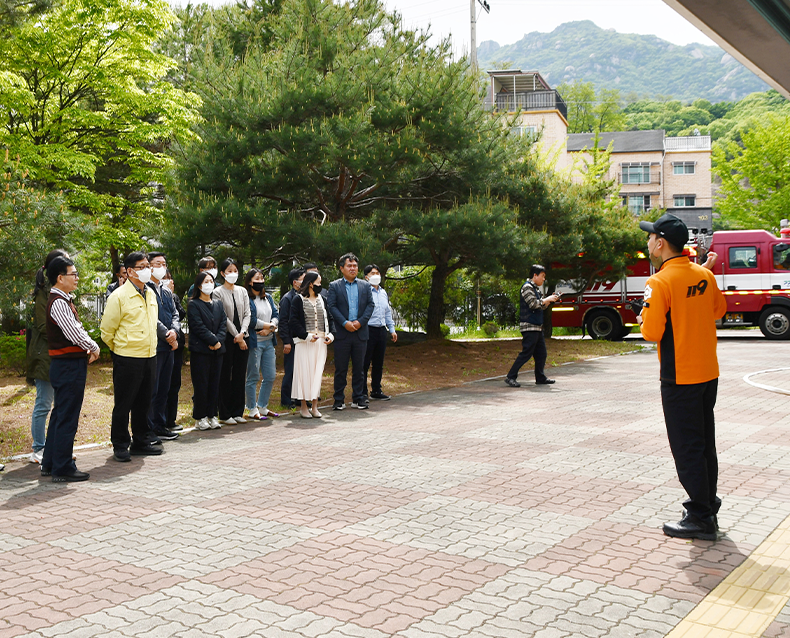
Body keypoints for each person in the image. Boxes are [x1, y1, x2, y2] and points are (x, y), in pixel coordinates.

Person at [637, 213, 727, 541]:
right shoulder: (703, 274)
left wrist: (644, 313)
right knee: (705, 444)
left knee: (687, 447)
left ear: (660, 243)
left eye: (650, 237)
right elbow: (718, 310)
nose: (648, 242)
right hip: (708, 372)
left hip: (679, 376)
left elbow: (652, 331)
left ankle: (701, 518)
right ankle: (706, 504)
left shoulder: (659, 282)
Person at [40, 256, 100, 482]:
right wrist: (94, 347)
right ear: (60, 277)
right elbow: (74, 332)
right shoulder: (58, 302)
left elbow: (76, 328)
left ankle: (51, 462)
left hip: (66, 366)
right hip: (68, 366)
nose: (77, 278)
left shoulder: (62, 299)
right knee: (67, 416)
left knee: (60, 415)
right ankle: (62, 467)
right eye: (73, 274)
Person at [100, 251, 163, 461]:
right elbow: (107, 331)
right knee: (124, 403)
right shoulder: (118, 296)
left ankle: (141, 441)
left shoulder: (151, 294)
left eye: (148, 266)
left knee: (144, 402)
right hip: (127, 357)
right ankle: (120, 444)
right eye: (142, 267)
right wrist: (120, 350)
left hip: (149, 355)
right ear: (129, 271)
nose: (147, 270)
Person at [26, 249, 68, 464]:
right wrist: (68, 335)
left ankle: (53, 447)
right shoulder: (44, 294)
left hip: (56, 354)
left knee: (59, 404)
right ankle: (39, 449)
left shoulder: (61, 293)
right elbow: (44, 326)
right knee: (43, 403)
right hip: (45, 355)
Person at [326, 253, 374, 410]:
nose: (353, 268)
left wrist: (360, 322)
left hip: (360, 333)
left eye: (355, 266)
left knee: (360, 368)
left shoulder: (365, 285)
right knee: (341, 368)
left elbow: (370, 306)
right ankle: (338, 399)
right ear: (342, 268)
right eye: (349, 266)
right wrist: (344, 322)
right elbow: (331, 306)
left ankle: (358, 398)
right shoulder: (334, 286)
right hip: (342, 333)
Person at [504, 265, 560, 388]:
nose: (544, 279)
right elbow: (534, 304)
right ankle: (510, 376)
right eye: (542, 276)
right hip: (529, 326)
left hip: (537, 327)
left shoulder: (535, 288)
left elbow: (541, 306)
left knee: (541, 353)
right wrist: (546, 299)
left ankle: (540, 377)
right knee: (526, 353)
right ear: (535, 275)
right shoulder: (527, 287)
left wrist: (549, 300)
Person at [289, 271, 334, 418]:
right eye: (318, 283)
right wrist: (307, 336)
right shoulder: (298, 299)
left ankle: (315, 406)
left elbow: (330, 319)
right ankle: (303, 406)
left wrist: (330, 335)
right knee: (303, 374)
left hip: (320, 342)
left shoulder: (323, 300)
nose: (320, 286)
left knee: (316, 374)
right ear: (310, 284)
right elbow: (293, 321)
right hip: (304, 342)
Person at [146, 252, 181, 441]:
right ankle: (149, 427)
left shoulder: (166, 291)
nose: (162, 267)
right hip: (156, 346)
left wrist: (174, 331)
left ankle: (160, 425)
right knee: (153, 388)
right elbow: (152, 317)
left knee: (164, 389)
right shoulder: (145, 289)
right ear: (149, 266)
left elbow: (175, 314)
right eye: (157, 263)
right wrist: (167, 334)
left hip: (169, 346)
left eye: (164, 264)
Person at [212, 258, 251, 424]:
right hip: (228, 338)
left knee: (240, 375)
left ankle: (238, 411)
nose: (233, 274)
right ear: (222, 273)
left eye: (235, 270)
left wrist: (242, 333)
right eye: (229, 271)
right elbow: (224, 317)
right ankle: (225, 413)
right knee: (225, 375)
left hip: (243, 336)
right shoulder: (217, 292)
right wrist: (236, 335)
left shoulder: (242, 291)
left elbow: (248, 313)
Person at [187, 272, 227, 430]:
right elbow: (198, 326)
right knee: (201, 384)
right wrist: (213, 340)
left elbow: (223, 323)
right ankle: (200, 417)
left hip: (218, 351)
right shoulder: (193, 304)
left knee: (215, 384)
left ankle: (212, 415)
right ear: (198, 285)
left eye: (211, 281)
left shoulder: (218, 304)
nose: (209, 284)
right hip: (201, 351)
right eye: (206, 281)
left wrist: (218, 340)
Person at [244, 268, 280, 420]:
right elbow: (250, 320)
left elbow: (276, 315)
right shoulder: (247, 298)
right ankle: (252, 408)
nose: (260, 281)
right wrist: (268, 326)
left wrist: (271, 326)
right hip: (255, 343)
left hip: (268, 342)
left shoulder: (268, 298)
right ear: (250, 282)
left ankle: (263, 406)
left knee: (270, 376)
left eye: (262, 278)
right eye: (256, 278)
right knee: (252, 376)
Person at [362, 264, 397, 401]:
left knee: (378, 362)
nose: (376, 275)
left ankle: (376, 390)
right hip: (368, 329)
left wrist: (392, 329)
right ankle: (362, 391)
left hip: (381, 330)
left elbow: (387, 312)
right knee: (364, 362)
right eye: (372, 273)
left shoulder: (383, 292)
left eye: (378, 273)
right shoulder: (364, 291)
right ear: (366, 277)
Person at [277, 268, 305, 410]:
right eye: (303, 279)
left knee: (300, 370)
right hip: (292, 341)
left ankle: (299, 398)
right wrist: (286, 341)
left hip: (302, 340)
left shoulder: (303, 296)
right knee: (290, 370)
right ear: (295, 282)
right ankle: (286, 400)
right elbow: (283, 322)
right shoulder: (288, 298)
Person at [163, 270, 186, 432]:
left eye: (169, 278)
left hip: (177, 344)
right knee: (162, 386)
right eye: (164, 278)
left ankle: (171, 420)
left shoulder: (173, 297)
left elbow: (179, 314)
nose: (168, 281)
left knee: (174, 384)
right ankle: (160, 421)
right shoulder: (151, 295)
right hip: (162, 344)